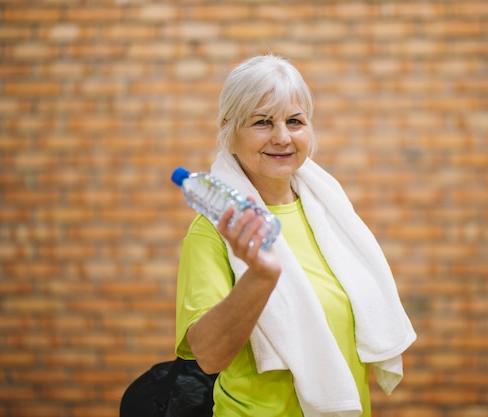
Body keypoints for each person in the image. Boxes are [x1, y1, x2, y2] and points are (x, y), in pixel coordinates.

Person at [175, 54, 416, 417]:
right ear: (229, 129)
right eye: (262, 122)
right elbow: (208, 357)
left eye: (294, 121)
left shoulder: (330, 213)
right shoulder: (213, 231)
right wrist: (260, 276)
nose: (282, 137)